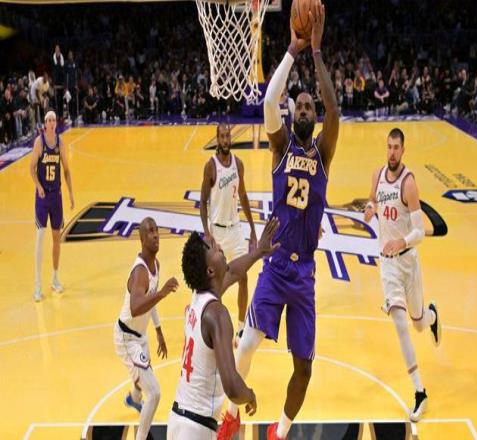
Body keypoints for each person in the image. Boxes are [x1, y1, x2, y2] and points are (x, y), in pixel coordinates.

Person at [218, 2, 340, 439]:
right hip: (274, 265)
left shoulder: (323, 152)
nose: (304, 110)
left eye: (309, 107)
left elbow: (335, 112)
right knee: (248, 343)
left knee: (304, 367)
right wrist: (292, 50)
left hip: (303, 272)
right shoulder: (280, 146)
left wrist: (318, 52)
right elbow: (271, 100)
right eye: (300, 106)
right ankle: (231, 414)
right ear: (293, 116)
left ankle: (279, 431)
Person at [167, 218, 280, 439]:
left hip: (178, 419)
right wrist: (250, 395)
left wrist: (258, 252)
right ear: (210, 270)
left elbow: (234, 272)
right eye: (214, 248)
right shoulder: (217, 315)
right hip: (196, 427)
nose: (219, 246)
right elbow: (232, 386)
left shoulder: (199, 296)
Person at [363, 127, 442, 422]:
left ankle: (432, 316)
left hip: (408, 261)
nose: (392, 152)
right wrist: (369, 208)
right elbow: (372, 199)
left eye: (396, 147)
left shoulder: (409, 184)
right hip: (388, 265)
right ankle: (420, 391)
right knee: (399, 323)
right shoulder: (377, 175)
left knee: (418, 323)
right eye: (389, 147)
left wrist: (402, 241)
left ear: (403, 150)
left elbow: (420, 232)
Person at [114, 217, 179, 440]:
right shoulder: (140, 272)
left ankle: (133, 398)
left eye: (157, 230)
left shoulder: (155, 265)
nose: (156, 235)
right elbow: (135, 308)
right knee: (155, 393)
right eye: (150, 232)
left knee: (142, 378)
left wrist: (159, 331)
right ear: (142, 239)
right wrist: (161, 293)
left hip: (140, 336)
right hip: (127, 338)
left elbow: (149, 301)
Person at [200, 123, 257, 347]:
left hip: (235, 228)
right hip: (217, 232)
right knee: (215, 284)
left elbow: (243, 196)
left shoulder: (238, 164)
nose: (225, 140)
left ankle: (241, 328)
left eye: (227, 136)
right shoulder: (211, 166)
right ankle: (213, 327)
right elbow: (203, 202)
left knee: (244, 277)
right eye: (222, 136)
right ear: (217, 139)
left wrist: (252, 229)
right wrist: (207, 233)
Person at [30, 110, 74, 301]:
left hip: (56, 196)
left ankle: (55, 277)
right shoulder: (39, 142)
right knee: (40, 238)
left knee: (57, 238)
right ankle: (37, 285)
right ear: (45, 123)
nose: (51, 122)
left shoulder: (60, 144)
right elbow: (31, 168)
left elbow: (66, 171)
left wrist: (70, 193)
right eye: (48, 120)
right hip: (42, 197)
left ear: (56, 123)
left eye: (54, 120)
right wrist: (38, 186)